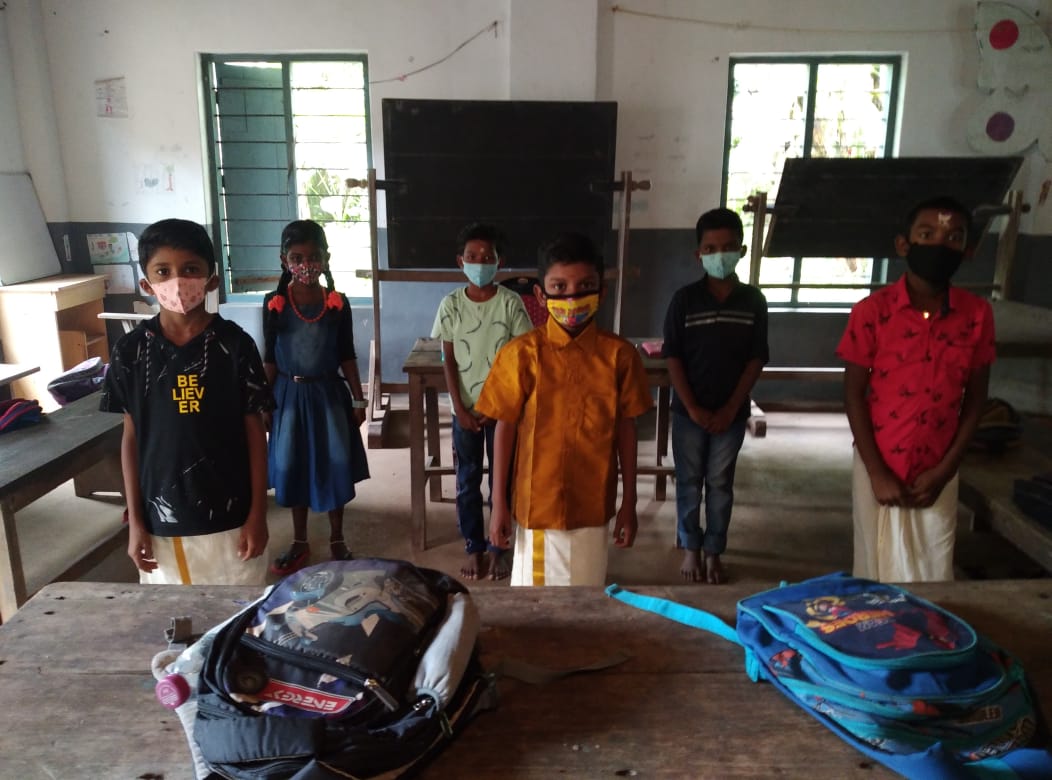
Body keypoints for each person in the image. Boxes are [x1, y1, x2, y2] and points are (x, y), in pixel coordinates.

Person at [475, 232, 653, 586]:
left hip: (593, 506)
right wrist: (498, 504)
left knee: (588, 592)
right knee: (537, 604)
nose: (572, 297)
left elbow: (626, 429)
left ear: (602, 291)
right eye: (559, 287)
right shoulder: (521, 354)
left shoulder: (619, 356)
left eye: (585, 286)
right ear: (541, 294)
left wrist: (629, 503)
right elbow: (504, 428)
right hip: (538, 506)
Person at [100, 218, 271, 585]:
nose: (177, 282)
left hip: (231, 515)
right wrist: (135, 519)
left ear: (212, 279)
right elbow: (131, 438)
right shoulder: (131, 351)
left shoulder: (235, 345)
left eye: (191, 269)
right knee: (173, 609)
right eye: (163, 271)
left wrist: (258, 514)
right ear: (147, 284)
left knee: (237, 604)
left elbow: (256, 433)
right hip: (162, 519)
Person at [836, 196, 996, 582]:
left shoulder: (976, 315)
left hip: (939, 465)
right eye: (927, 234)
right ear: (903, 244)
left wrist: (946, 470)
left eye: (953, 237)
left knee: (932, 566)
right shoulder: (872, 312)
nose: (940, 244)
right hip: (878, 461)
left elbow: (976, 400)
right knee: (874, 565)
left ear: (968, 250)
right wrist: (877, 472)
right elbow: (854, 394)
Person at [663, 208, 769, 585]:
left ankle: (714, 550)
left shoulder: (753, 301)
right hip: (688, 412)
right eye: (710, 248)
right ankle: (691, 546)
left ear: (741, 250)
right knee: (689, 480)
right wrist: (692, 407)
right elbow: (672, 356)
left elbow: (756, 358)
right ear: (699, 254)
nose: (719, 255)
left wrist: (730, 408)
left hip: (731, 413)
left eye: (727, 247)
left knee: (720, 482)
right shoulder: (684, 300)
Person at [263, 219, 370, 575]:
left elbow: (347, 354)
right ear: (284, 260)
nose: (305, 265)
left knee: (335, 464)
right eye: (297, 258)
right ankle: (300, 540)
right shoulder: (274, 303)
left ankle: (338, 538)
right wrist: (262, 402)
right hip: (289, 398)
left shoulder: (337, 304)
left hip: (328, 396)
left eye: (313, 257)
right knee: (293, 465)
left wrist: (358, 398)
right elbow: (269, 357)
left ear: (326, 258)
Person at [430, 223, 532, 580]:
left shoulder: (511, 303)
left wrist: (501, 406)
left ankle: (499, 547)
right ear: (461, 261)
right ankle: (474, 546)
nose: (480, 263)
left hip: (503, 412)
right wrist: (459, 408)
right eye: (472, 256)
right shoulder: (451, 305)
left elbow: (522, 357)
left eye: (488, 257)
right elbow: (448, 359)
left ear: (499, 262)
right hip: (465, 411)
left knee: (503, 480)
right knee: (467, 479)